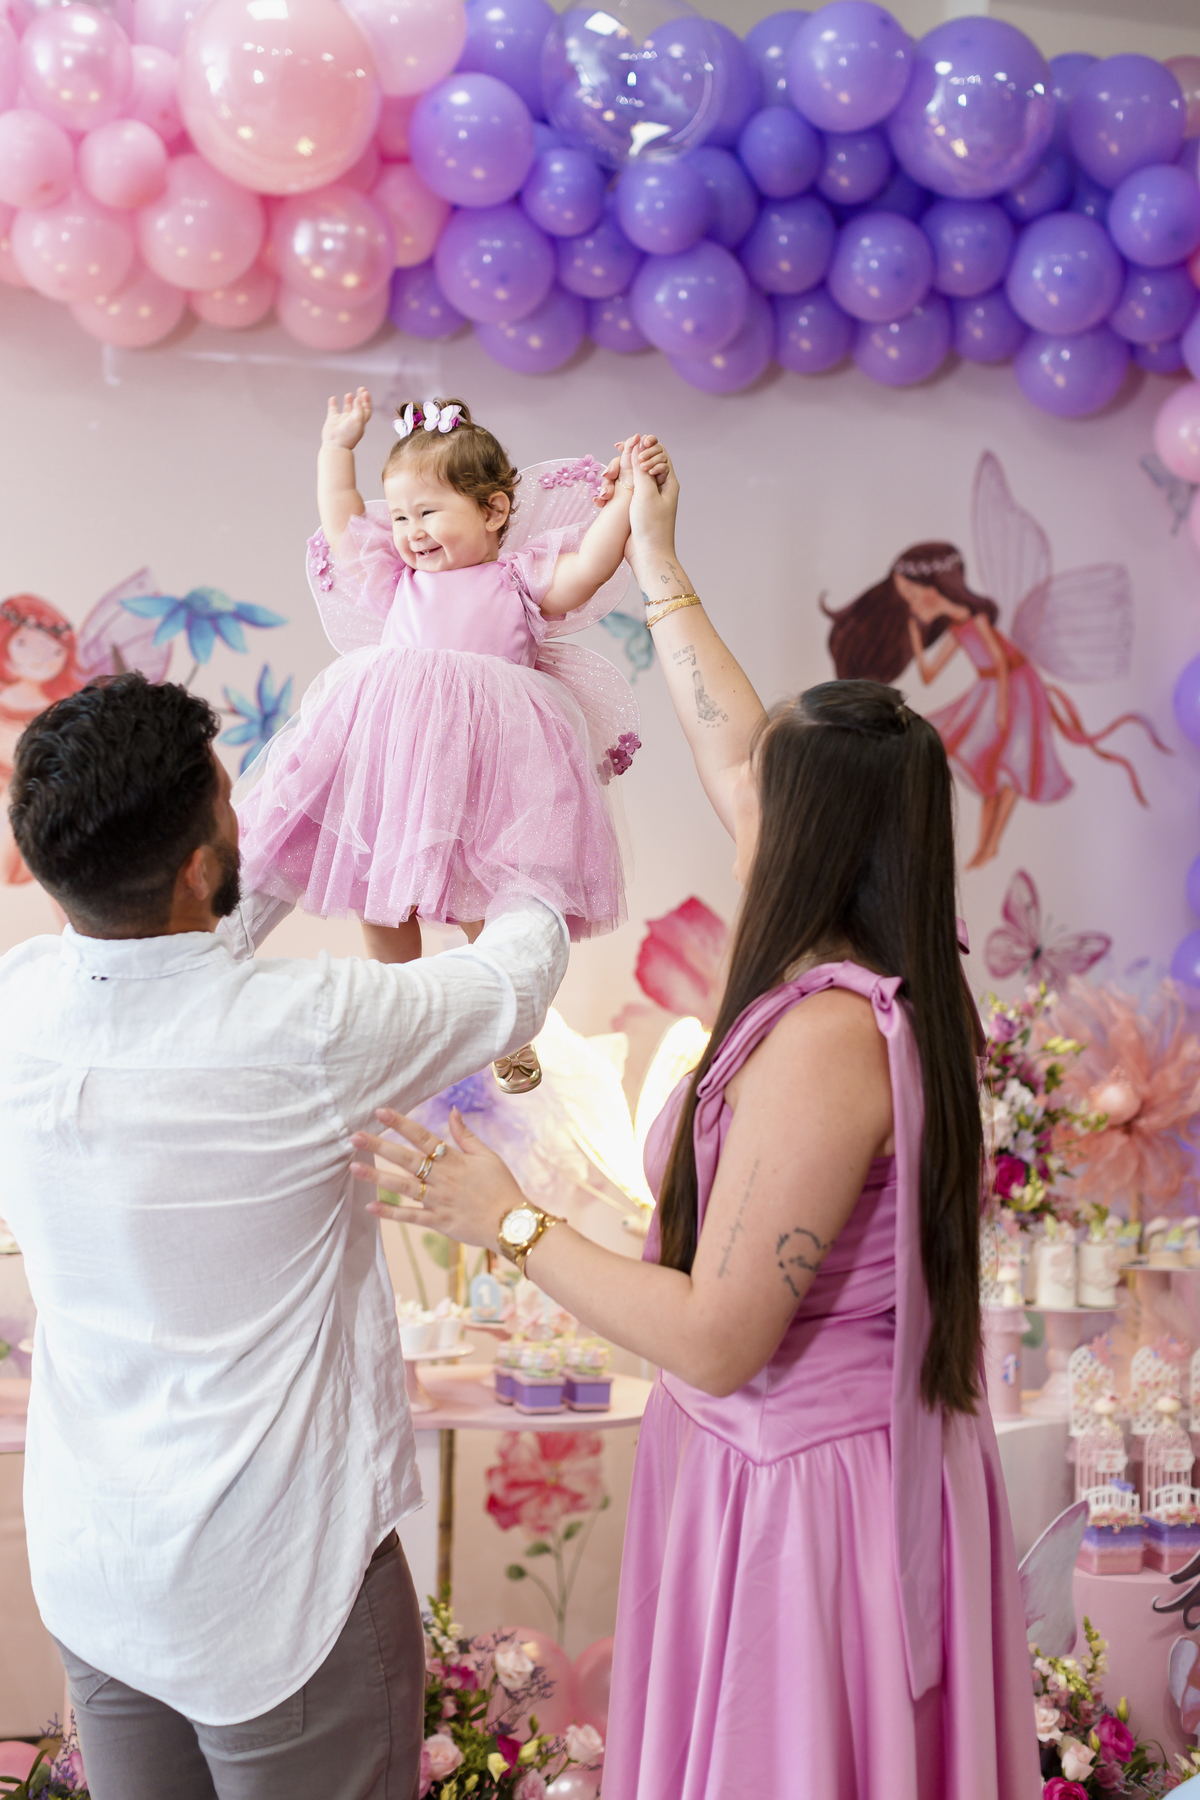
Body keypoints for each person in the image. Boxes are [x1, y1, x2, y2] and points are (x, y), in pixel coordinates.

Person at [352, 449, 1042, 1799]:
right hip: (777, 1466)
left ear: (805, 833)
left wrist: (509, 1220)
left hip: (813, 1498)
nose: (733, 787)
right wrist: (657, 559)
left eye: (761, 788)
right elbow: (729, 735)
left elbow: (720, 1340)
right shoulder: (880, 947)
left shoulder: (831, 1040)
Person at [0, 671, 568, 1800]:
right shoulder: (309, 1030)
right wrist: (535, 817)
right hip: (278, 1592)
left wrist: (323, 771)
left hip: (100, 1573)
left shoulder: (19, 1003)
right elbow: (516, 973)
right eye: (229, 799)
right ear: (197, 865)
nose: (242, 814)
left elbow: (184, 951)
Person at [235, 390, 667, 1091]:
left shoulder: (518, 580)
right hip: (392, 759)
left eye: (428, 512)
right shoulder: (395, 581)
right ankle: (396, 1014)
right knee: (379, 890)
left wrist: (624, 497)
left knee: (484, 898)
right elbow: (343, 522)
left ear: (493, 511)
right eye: (401, 515)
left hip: (483, 770)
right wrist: (336, 449)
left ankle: (502, 1022)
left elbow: (591, 563)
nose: (410, 531)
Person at [823, 542, 1164, 869]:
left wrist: (1002, 710)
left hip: (1017, 686)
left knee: (1011, 765)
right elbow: (929, 675)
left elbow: (1001, 662)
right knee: (984, 764)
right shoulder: (955, 629)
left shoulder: (976, 619)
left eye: (912, 595)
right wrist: (914, 638)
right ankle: (986, 847)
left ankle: (989, 846)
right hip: (989, 687)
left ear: (935, 589)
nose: (911, 605)